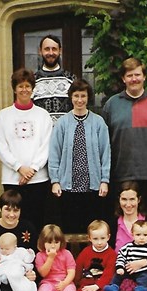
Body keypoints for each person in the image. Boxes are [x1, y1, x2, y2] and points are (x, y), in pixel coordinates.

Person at [102, 57, 147, 226]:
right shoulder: (112, 105)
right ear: (123, 79)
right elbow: (105, 140)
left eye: (137, 74)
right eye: (129, 75)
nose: (134, 79)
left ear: (144, 77)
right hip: (122, 173)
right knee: (121, 224)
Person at [0, 68, 53, 231]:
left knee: (36, 221)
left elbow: (47, 145)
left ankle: (36, 256)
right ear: (14, 89)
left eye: (28, 86)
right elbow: (0, 146)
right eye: (20, 86)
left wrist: (32, 169)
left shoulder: (42, 115)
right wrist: (19, 167)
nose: (24, 90)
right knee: (12, 222)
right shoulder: (4, 116)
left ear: (32, 88)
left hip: (38, 179)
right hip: (13, 178)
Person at [48, 79, 110, 233]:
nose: (80, 100)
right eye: (76, 96)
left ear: (88, 97)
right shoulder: (62, 123)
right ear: (71, 97)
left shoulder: (98, 122)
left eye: (83, 96)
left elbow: (105, 153)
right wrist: (55, 181)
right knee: (70, 227)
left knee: (92, 228)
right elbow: (54, 153)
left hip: (93, 186)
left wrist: (104, 180)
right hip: (68, 187)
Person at [32, 34, 76, 123]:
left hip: (65, 134)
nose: (51, 53)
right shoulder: (33, 80)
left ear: (60, 51)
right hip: (42, 134)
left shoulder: (71, 79)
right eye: (47, 49)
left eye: (54, 49)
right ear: (40, 51)